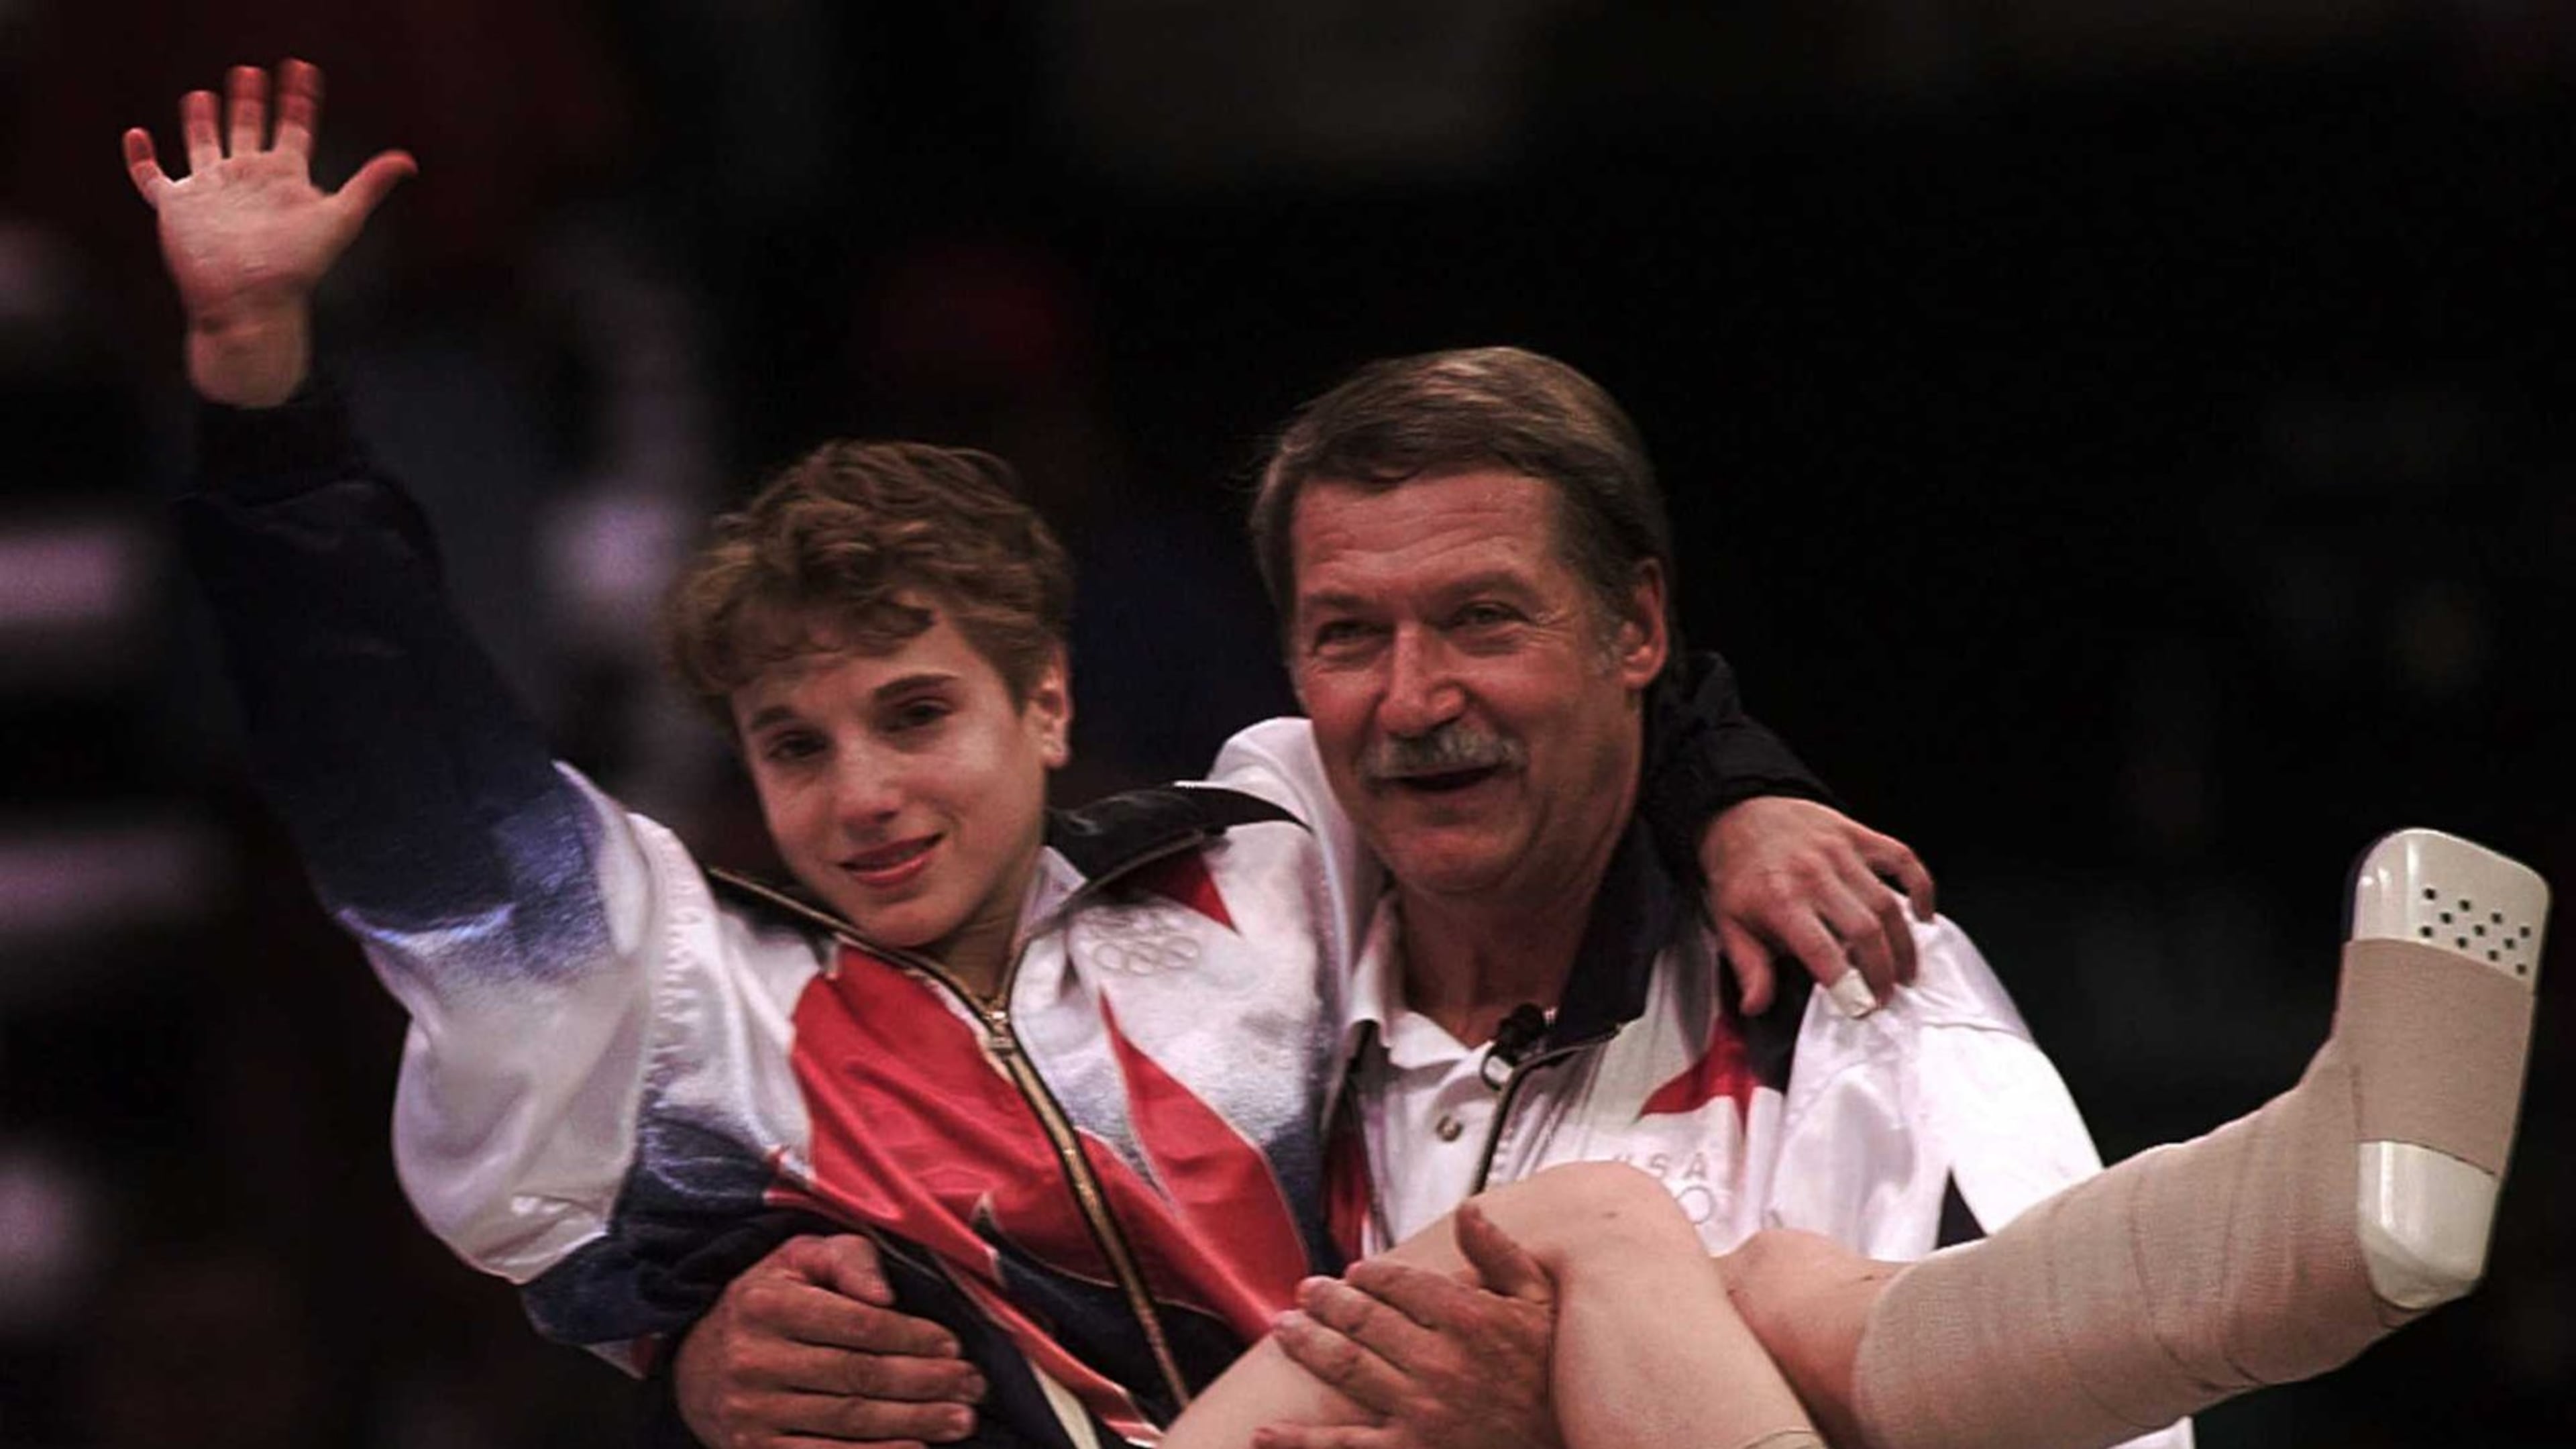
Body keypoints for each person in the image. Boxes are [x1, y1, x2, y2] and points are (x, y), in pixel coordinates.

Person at [140, 59, 2544, 1449]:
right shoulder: (705, 1006)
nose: (865, 794)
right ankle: (2286, 1242)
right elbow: (419, 811)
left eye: (919, 715)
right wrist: (265, 405)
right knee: (1616, 1244)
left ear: (1053, 706)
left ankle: (2310, 1225)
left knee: (1777, 1287)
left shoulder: (1252, 869)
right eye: (796, 746)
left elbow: (1536, 707)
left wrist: (1730, 780)